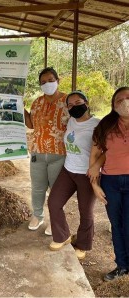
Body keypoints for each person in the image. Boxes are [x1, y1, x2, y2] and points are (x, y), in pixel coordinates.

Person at [47, 90, 99, 260]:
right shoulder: (70, 121)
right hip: (68, 170)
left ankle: (83, 245)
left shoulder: (98, 125)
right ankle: (63, 236)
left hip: (87, 174)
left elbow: (105, 151)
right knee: (54, 202)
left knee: (86, 212)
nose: (74, 107)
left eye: (78, 103)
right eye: (70, 105)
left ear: (87, 103)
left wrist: (96, 171)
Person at [90, 87, 129, 281]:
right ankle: (122, 266)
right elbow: (96, 156)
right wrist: (95, 186)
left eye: (128, 98)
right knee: (116, 225)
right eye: (119, 100)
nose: (124, 102)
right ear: (113, 105)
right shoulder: (105, 126)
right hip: (111, 182)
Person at [24, 67, 69, 234]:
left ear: (58, 80)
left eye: (51, 80)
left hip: (59, 154)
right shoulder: (37, 103)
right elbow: (31, 124)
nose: (47, 84)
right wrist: (20, 109)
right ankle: (38, 215)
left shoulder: (67, 101)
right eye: (43, 82)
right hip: (38, 153)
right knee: (37, 187)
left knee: (56, 190)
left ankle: (54, 220)